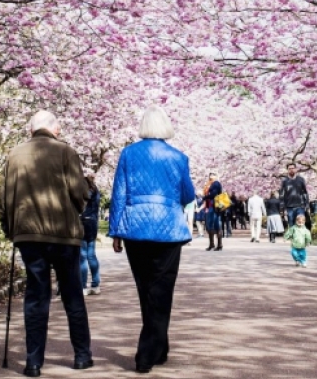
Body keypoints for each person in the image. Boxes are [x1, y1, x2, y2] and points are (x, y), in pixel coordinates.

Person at [0, 110, 93, 377]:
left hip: (28, 235)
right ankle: (82, 356)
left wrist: (11, 230)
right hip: (63, 235)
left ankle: (33, 362)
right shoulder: (66, 152)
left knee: (36, 296)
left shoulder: (14, 154)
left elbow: (4, 199)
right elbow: (79, 194)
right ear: (55, 129)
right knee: (72, 293)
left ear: (31, 129)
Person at [109, 106, 197, 374]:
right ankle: (146, 354)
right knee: (161, 290)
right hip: (168, 230)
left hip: (135, 228)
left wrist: (115, 231)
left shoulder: (128, 153)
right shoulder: (178, 157)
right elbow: (188, 194)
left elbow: (118, 194)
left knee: (145, 289)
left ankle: (160, 346)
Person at [81, 169, 102, 296]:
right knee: (91, 255)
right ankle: (95, 284)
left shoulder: (84, 193)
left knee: (82, 256)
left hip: (82, 223)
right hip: (93, 224)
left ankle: (83, 285)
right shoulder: (96, 191)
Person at [280, 162, 309, 230]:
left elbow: (305, 192)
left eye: (293, 168)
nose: (291, 170)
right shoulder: (284, 181)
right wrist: (282, 208)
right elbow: (281, 195)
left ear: (295, 169)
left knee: (301, 222)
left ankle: (300, 238)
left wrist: (307, 204)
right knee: (291, 223)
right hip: (289, 207)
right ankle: (294, 239)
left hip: (300, 206)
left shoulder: (301, 179)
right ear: (287, 170)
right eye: (289, 169)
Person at [202, 172, 224, 251]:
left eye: (213, 174)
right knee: (209, 226)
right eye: (210, 174)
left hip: (213, 206)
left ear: (216, 176)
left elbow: (214, 194)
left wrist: (205, 197)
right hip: (210, 206)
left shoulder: (216, 183)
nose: (211, 176)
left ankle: (219, 244)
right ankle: (212, 244)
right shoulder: (210, 184)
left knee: (215, 225)